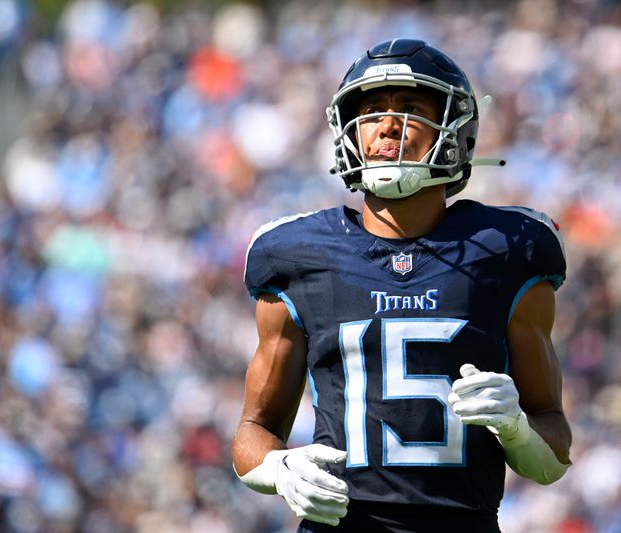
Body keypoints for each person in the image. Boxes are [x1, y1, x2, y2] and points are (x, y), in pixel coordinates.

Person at [231, 39, 572, 532]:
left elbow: (553, 452)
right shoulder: (297, 254)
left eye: (410, 108)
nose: (388, 125)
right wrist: (279, 468)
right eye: (371, 111)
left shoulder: (507, 250)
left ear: (457, 129)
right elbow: (253, 431)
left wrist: (516, 428)